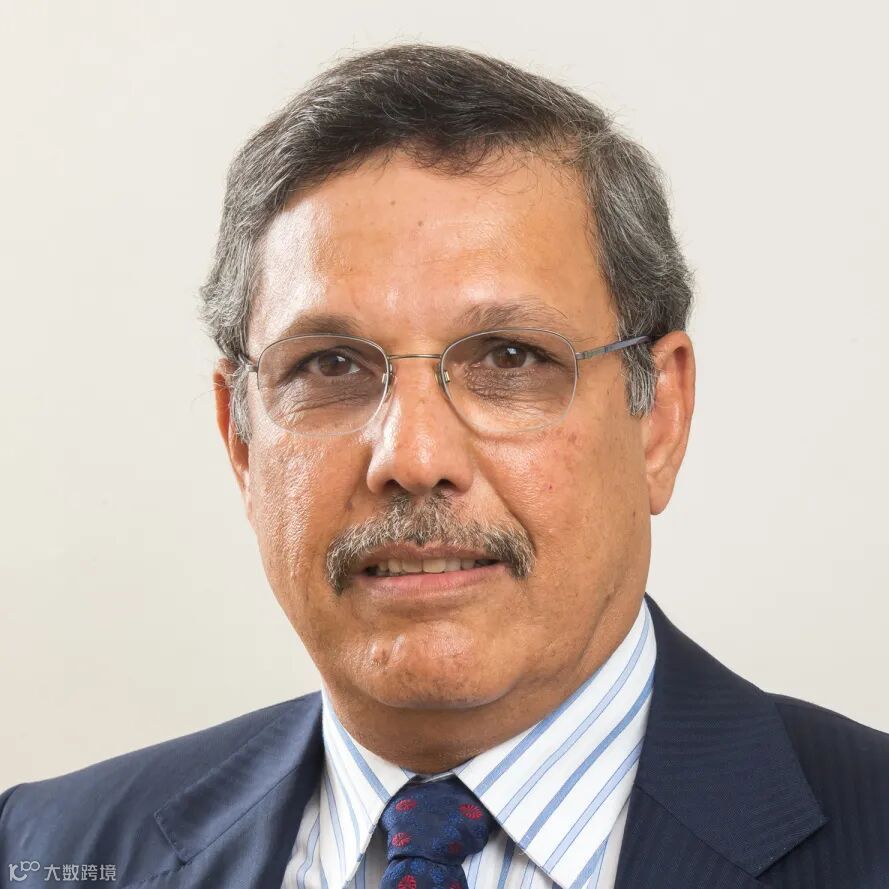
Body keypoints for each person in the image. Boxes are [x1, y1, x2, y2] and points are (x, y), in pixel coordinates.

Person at [2, 42, 887, 889]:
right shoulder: (45, 850)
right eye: (330, 366)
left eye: (510, 358)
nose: (413, 457)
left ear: (658, 418)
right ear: (241, 444)